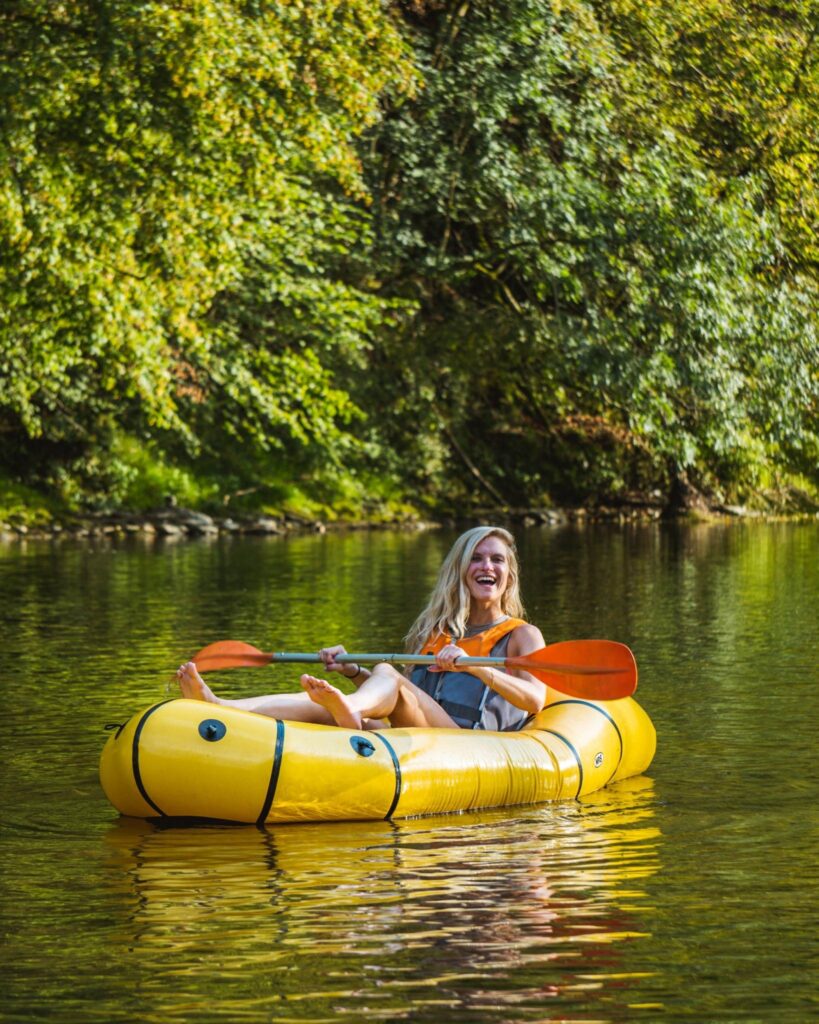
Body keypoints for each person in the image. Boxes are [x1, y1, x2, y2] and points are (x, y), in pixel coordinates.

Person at [176, 526, 548, 732]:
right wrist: (353, 671)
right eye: (477, 558)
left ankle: (348, 710)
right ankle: (223, 707)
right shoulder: (436, 632)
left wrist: (476, 665)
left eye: (497, 559)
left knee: (386, 675)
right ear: (460, 569)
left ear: (509, 574)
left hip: (471, 744)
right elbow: (404, 698)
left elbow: (535, 701)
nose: (488, 566)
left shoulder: (521, 635)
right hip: (423, 732)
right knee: (319, 704)